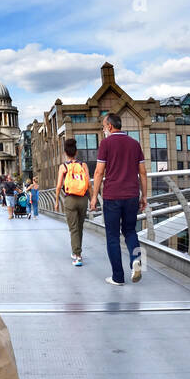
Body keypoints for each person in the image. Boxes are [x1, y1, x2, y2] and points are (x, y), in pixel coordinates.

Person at [88, 112, 149, 286]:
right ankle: (136, 260)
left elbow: (99, 172)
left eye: (103, 126)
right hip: (131, 195)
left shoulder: (106, 143)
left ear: (109, 126)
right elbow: (143, 173)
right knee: (130, 231)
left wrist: (94, 197)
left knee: (113, 236)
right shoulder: (135, 144)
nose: (103, 129)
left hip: (112, 196)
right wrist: (144, 196)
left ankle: (118, 277)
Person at [56, 138, 89, 266]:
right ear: (76, 152)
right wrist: (92, 199)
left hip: (70, 199)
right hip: (83, 198)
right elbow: (89, 184)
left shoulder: (63, 167)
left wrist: (57, 201)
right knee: (79, 227)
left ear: (65, 153)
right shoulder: (83, 165)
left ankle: (77, 255)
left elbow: (59, 185)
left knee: (73, 228)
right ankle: (77, 251)